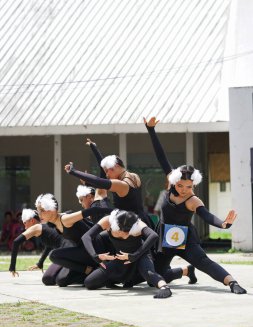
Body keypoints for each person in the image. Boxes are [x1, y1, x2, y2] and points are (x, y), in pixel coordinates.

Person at [143, 116, 246, 294]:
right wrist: (151, 129)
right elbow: (161, 156)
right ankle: (185, 271)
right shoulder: (171, 182)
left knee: (204, 261)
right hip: (165, 237)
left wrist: (223, 224)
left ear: (194, 185)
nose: (184, 190)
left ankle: (232, 283)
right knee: (155, 277)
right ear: (174, 181)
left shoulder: (193, 200)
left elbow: (207, 216)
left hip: (185, 238)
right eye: (180, 186)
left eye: (188, 187)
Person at [82, 209, 172, 299]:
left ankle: (165, 287)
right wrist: (95, 256)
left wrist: (135, 255)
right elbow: (86, 236)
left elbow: (153, 236)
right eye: (121, 232)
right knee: (89, 283)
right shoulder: (108, 221)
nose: (125, 235)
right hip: (120, 259)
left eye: (128, 232)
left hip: (139, 256)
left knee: (149, 274)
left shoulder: (138, 224)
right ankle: (128, 279)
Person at [64, 138, 153, 227]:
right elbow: (101, 180)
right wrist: (94, 148)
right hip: (143, 220)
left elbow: (99, 181)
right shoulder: (134, 176)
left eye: (108, 171)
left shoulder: (122, 185)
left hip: (131, 224)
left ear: (116, 166)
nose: (106, 174)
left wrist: (74, 172)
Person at [9, 208, 73, 282]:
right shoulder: (45, 227)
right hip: (65, 253)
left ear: (32, 220)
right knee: (48, 278)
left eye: (25, 223)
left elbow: (16, 242)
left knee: (56, 279)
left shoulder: (37, 227)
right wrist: (40, 263)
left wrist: (12, 267)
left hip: (67, 252)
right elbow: (49, 245)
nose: (25, 227)